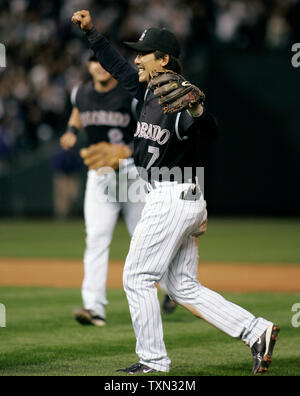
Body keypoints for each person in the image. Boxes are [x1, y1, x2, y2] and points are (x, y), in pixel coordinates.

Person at [72, 10, 279, 374]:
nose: (136, 58)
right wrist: (91, 33)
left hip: (171, 196)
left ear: (163, 59)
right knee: (182, 286)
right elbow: (116, 65)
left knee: (136, 277)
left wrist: (198, 109)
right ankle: (255, 330)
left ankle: (153, 362)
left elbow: (211, 131)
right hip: (176, 196)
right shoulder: (146, 89)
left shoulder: (179, 99)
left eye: (144, 53)